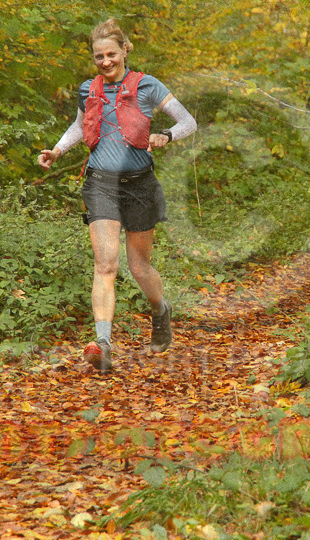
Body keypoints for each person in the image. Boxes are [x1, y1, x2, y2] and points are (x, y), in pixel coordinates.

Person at [37, 19, 197, 371]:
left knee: (139, 268)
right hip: (100, 184)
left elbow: (189, 122)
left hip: (140, 185)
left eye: (110, 54)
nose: (105, 62)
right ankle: (104, 344)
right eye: (98, 57)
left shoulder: (148, 86)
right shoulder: (88, 89)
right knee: (105, 265)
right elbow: (80, 126)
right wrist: (57, 151)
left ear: (125, 50)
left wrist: (167, 136)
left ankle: (160, 309)